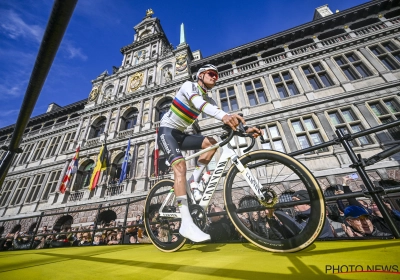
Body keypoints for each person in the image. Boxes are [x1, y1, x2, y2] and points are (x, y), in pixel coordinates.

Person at [157, 64, 262, 243]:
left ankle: (193, 180)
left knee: (212, 143)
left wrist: (245, 130)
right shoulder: (188, 86)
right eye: (212, 74)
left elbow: (222, 114)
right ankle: (186, 224)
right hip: (166, 132)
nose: (215, 77)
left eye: (216, 76)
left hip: (181, 135)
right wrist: (224, 116)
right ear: (201, 75)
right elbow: (200, 104)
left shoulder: (211, 101)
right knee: (180, 167)